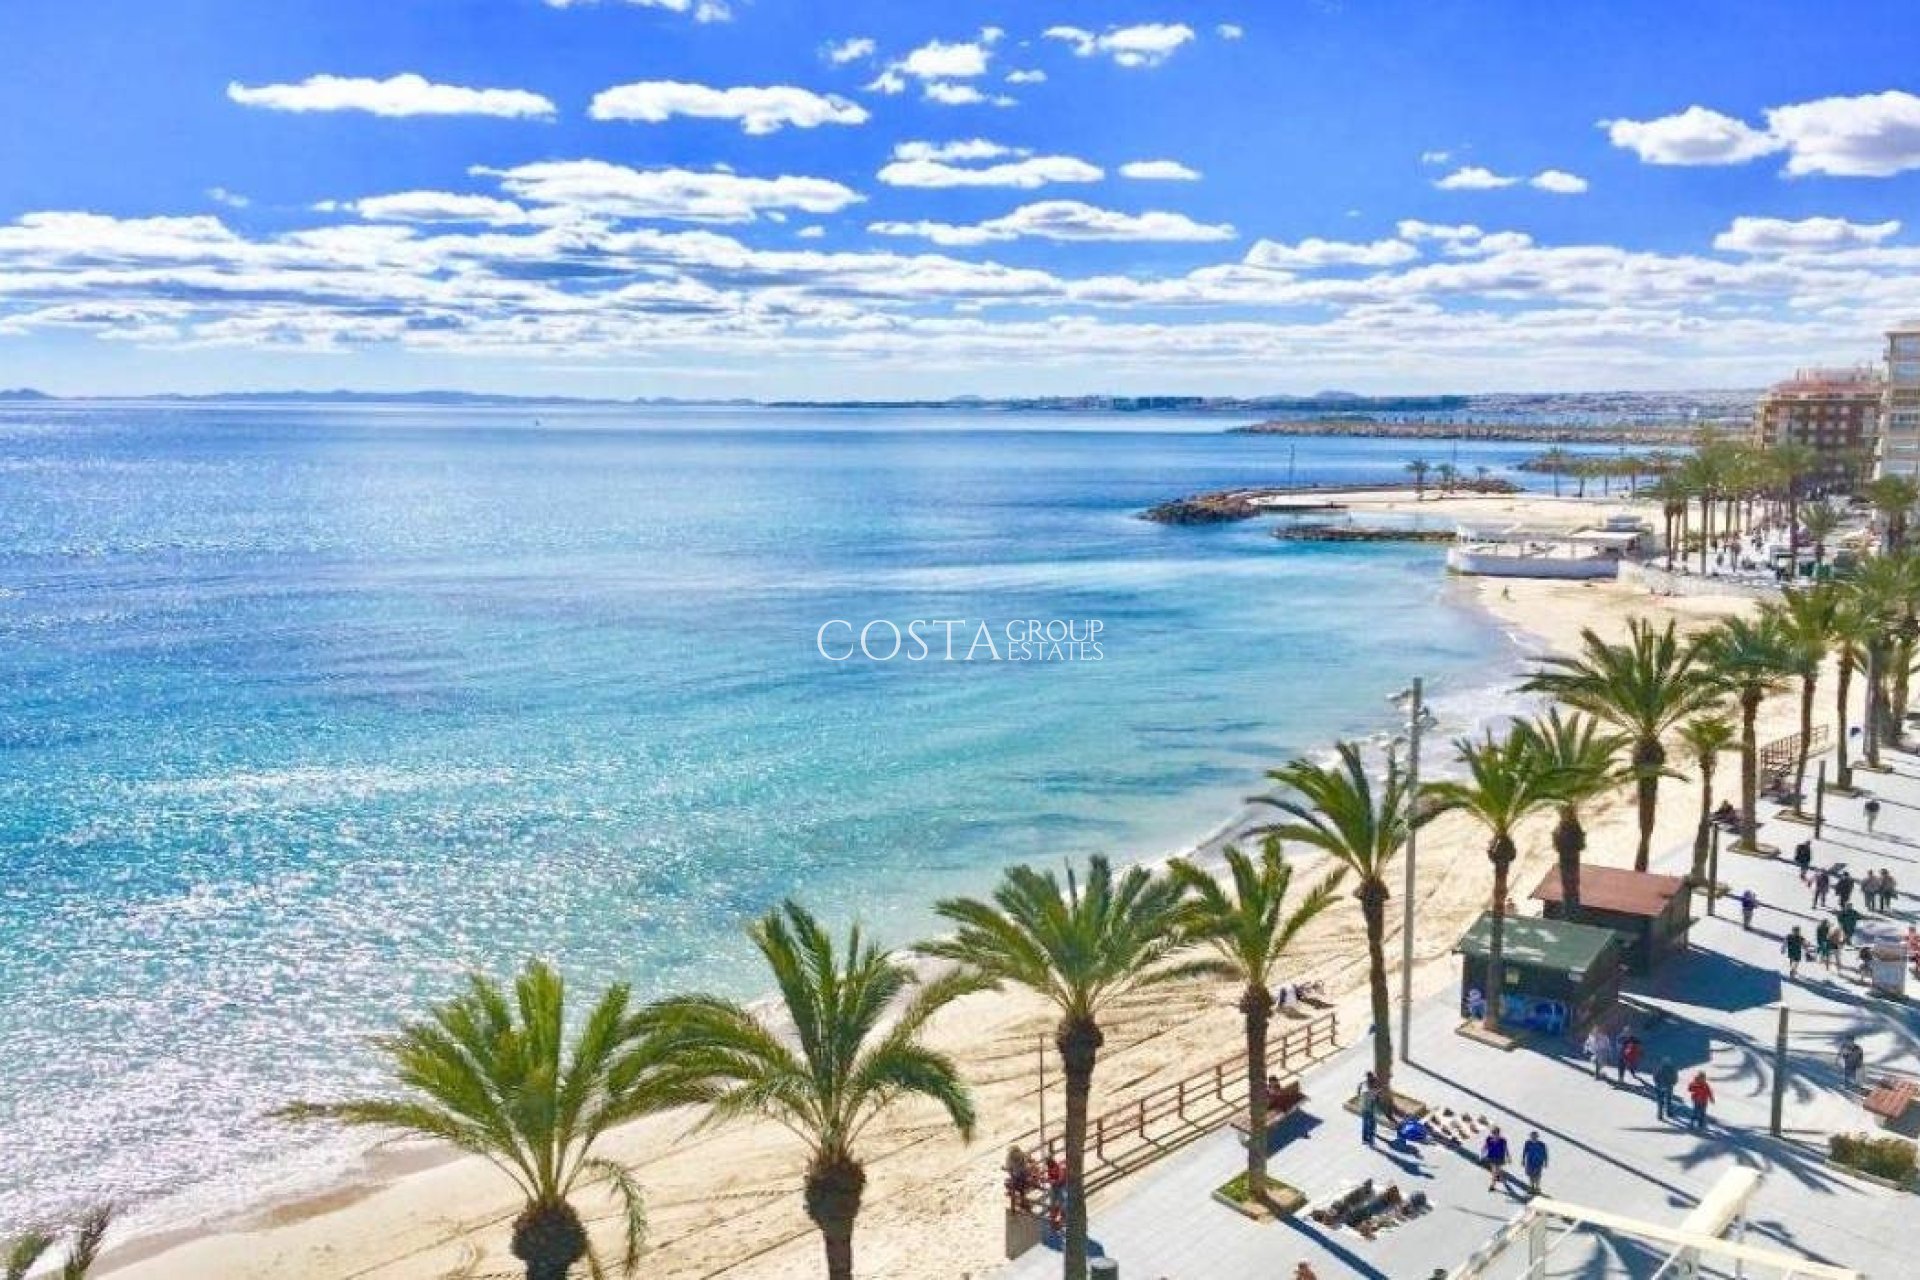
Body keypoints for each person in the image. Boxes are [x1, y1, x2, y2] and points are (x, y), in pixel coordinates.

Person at [1482, 1125, 1510, 1192]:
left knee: (1496, 1171)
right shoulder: (1488, 1139)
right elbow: (1485, 1146)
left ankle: (1493, 1185)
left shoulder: (1503, 1140)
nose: (1494, 1134)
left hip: (1499, 1158)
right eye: (1493, 1133)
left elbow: (1506, 1149)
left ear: (1498, 1133)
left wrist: (1508, 1157)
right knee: (1495, 1171)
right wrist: (1483, 1153)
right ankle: (1497, 1181)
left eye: (1495, 1133)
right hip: (1492, 1158)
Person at [1521, 1131, 1549, 1196]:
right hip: (1530, 1162)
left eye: (1535, 1136)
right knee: (1531, 1175)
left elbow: (1545, 1153)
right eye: (1532, 1136)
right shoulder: (1528, 1143)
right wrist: (1523, 1160)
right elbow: (1524, 1151)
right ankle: (1531, 1187)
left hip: (1538, 1162)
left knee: (1537, 1176)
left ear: (1537, 1137)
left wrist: (1546, 1162)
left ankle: (1537, 1188)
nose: (1533, 1138)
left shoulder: (1542, 1144)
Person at [1653, 1056, 1680, 1121]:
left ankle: (1660, 1114)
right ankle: (1669, 1112)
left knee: (1660, 1101)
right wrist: (1673, 1083)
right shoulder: (1672, 1068)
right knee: (1668, 1100)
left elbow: (1655, 1076)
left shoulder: (1659, 1068)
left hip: (1659, 1086)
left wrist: (1657, 1083)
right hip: (1668, 1086)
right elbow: (1675, 1078)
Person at [1358, 1077, 1379, 1146]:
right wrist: (1376, 1094)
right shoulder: (1369, 1092)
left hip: (1364, 1109)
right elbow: (1374, 1099)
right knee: (1371, 1125)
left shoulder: (1365, 1089)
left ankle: (1365, 1139)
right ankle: (1370, 1140)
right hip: (1369, 1110)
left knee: (1365, 1125)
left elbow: (1360, 1086)